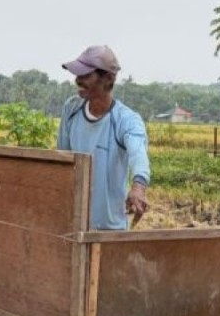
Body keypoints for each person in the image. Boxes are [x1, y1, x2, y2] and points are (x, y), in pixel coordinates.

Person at [57, 45, 150, 229]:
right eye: (77, 74)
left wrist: (138, 187)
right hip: (73, 223)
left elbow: (138, 155)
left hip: (109, 229)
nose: (78, 80)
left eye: (85, 75)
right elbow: (62, 158)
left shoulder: (126, 120)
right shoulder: (71, 109)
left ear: (108, 78)